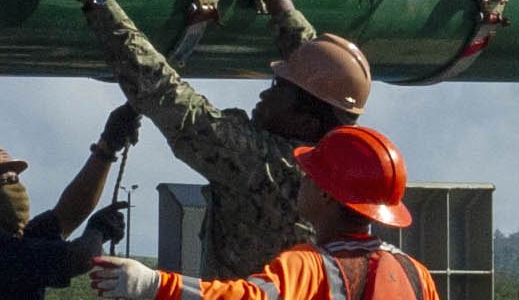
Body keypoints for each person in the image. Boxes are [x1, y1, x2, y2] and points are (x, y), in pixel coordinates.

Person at [53, 0, 375, 279]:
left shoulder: (257, 162)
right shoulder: (342, 164)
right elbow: (320, 84)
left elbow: (162, 90)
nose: (264, 94)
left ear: (303, 123)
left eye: (277, 90)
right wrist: (282, 3)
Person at [88, 125, 438, 300]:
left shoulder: (308, 266)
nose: (302, 180)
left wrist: (152, 284)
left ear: (329, 195)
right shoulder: (416, 274)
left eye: (311, 176)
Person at [0, 105, 141, 299]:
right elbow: (81, 258)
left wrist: (106, 148)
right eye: (5, 181)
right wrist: (98, 229)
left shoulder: (15, 240)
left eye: (15, 179)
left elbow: (68, 214)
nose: (16, 187)